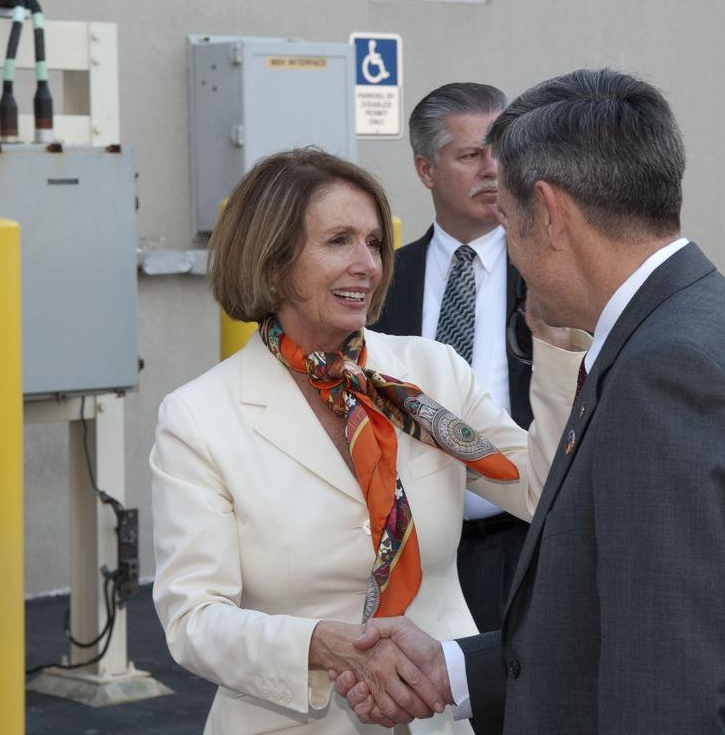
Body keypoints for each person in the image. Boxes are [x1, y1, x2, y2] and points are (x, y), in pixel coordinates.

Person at [335, 69, 725, 734]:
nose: (509, 251)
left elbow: (668, 688)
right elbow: (618, 619)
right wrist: (453, 671)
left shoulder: (668, 376)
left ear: (551, 213)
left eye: (507, 221)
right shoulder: (695, 324)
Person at [150, 147, 590, 734]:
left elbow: (545, 492)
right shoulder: (199, 416)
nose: (369, 265)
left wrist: (559, 352)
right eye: (338, 241)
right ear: (273, 259)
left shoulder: (431, 375)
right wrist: (323, 645)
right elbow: (194, 620)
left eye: (374, 243)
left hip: (437, 719)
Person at [370, 82, 534, 633]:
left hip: (524, 547)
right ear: (425, 169)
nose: (493, 170)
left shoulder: (550, 275)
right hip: (405, 554)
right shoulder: (381, 281)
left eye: (501, 153)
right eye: (470, 155)